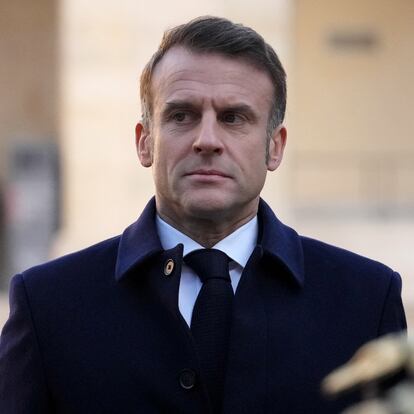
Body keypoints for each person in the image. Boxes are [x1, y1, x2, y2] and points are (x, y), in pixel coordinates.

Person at [0, 16, 406, 414]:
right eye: (181, 115)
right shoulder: (48, 306)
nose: (207, 140)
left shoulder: (366, 300)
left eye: (233, 118)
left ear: (275, 147)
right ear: (145, 143)